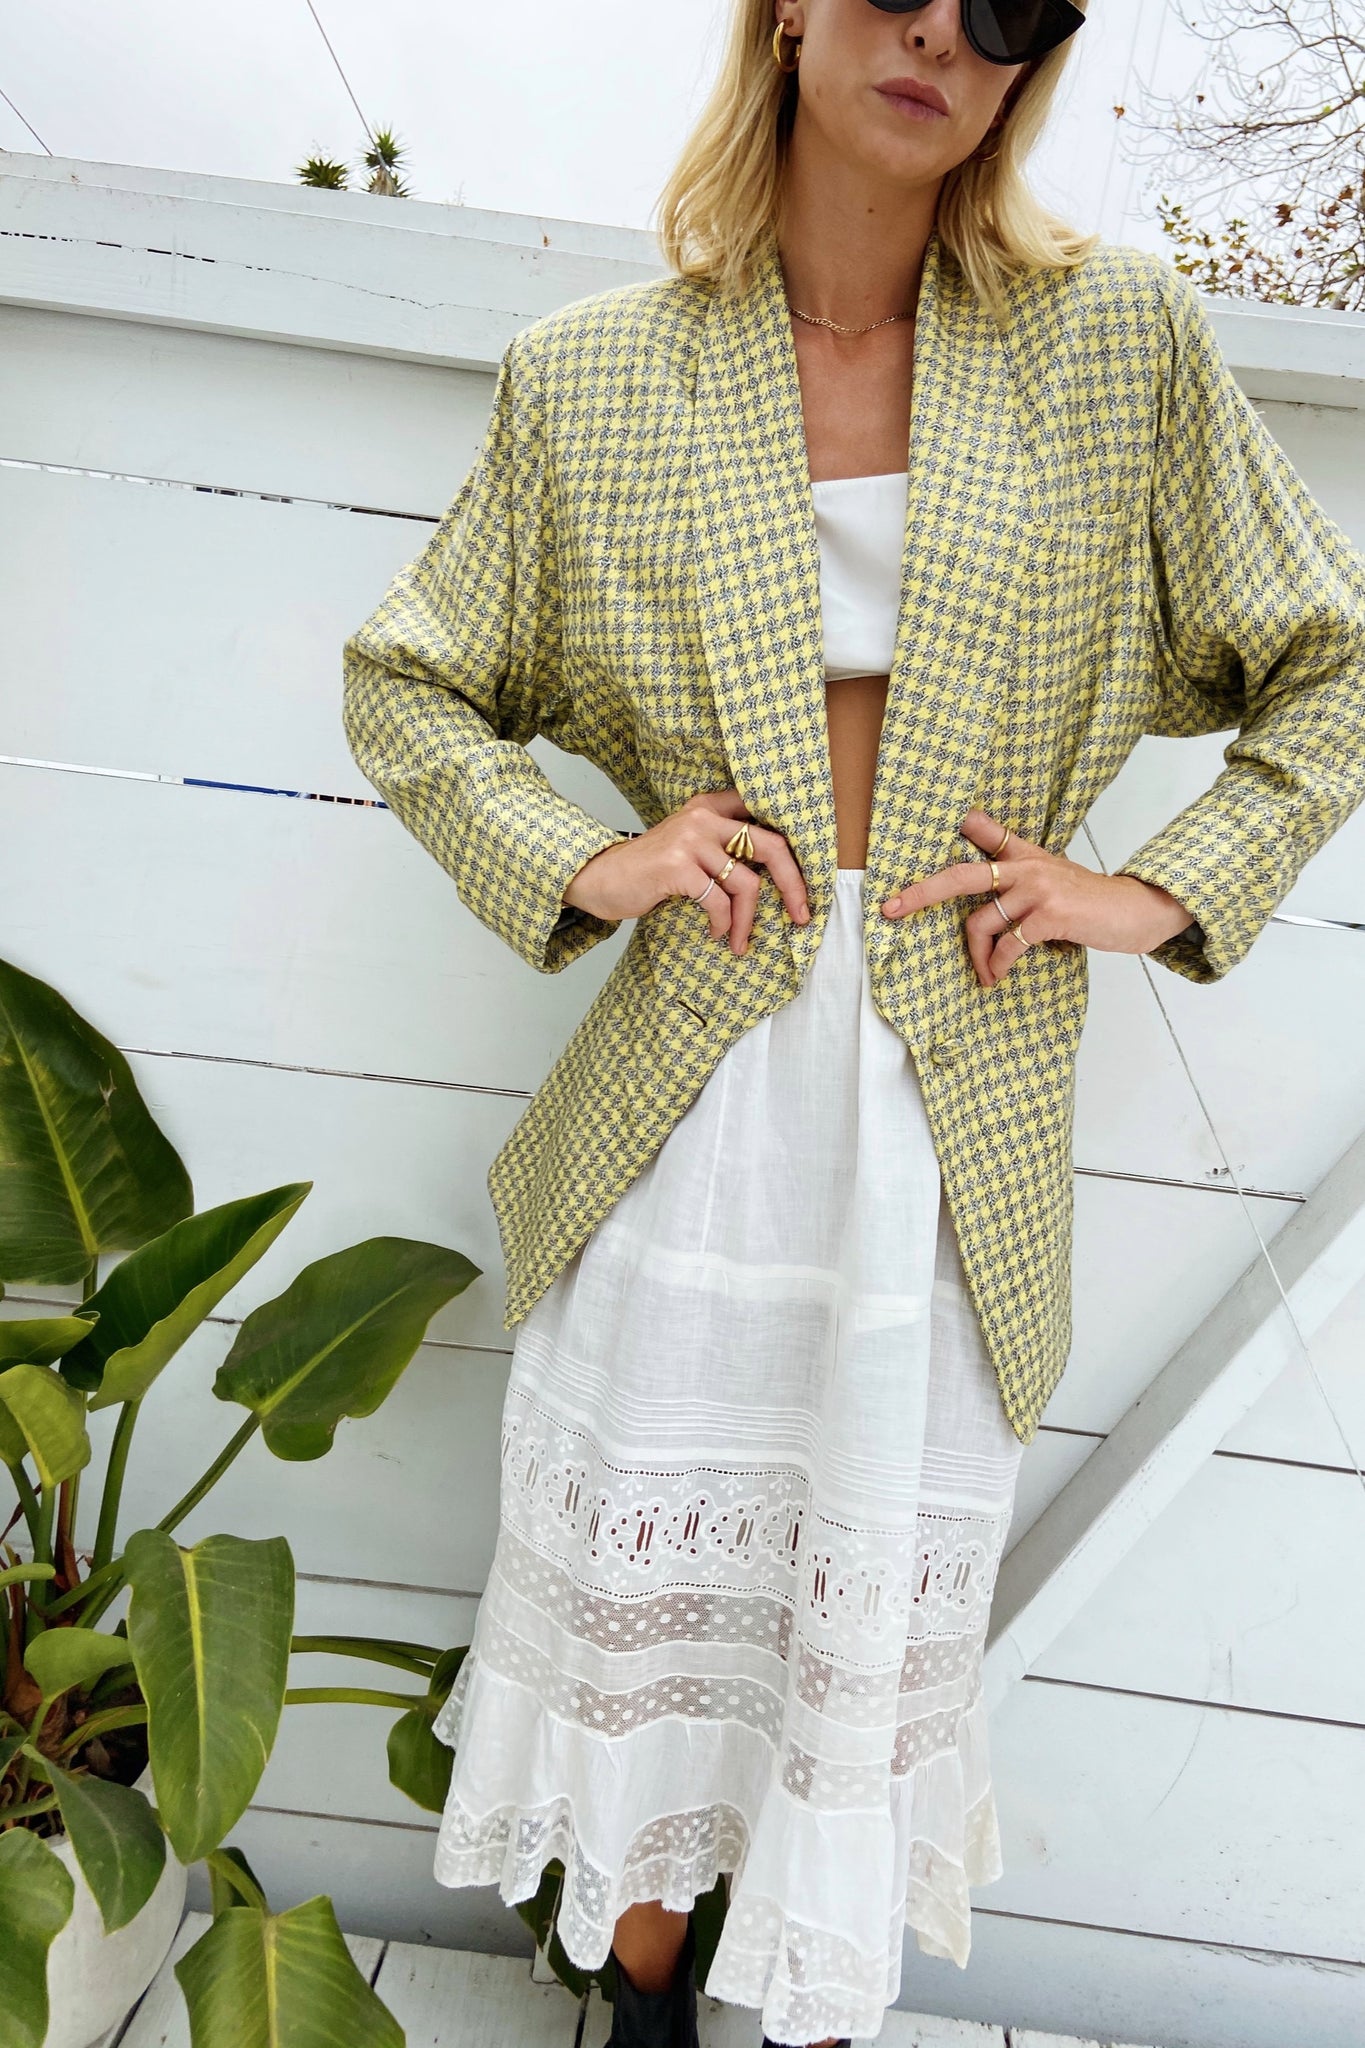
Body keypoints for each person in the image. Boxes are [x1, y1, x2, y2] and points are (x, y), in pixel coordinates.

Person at [341, 1, 1365, 2040]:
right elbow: (411, 682)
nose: (938, 32)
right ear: (788, 10)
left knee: (864, 1593)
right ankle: (640, 1999)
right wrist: (589, 860)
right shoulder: (595, 375)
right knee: (657, 1597)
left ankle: (798, 1999)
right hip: (688, 1102)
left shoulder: (1116, 345)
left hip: (950, 1096)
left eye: (1009, 8)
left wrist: (1151, 890)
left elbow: (1325, 663)